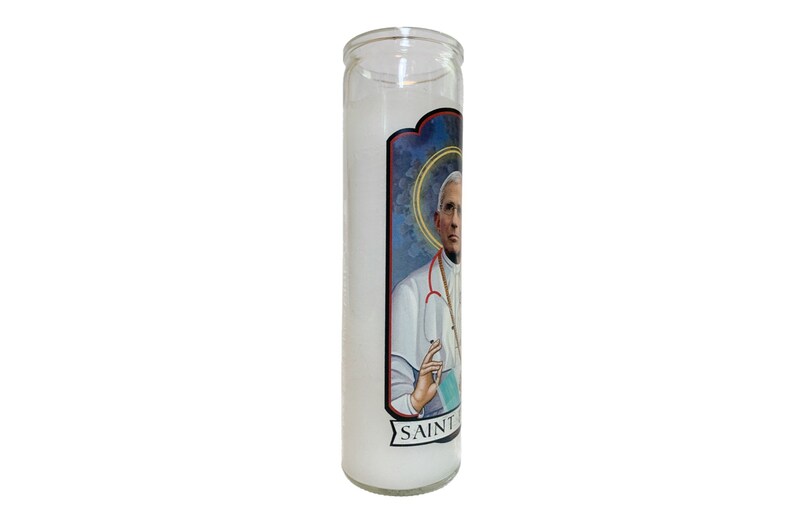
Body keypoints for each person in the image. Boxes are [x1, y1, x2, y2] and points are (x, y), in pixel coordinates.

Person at [390, 171, 462, 418]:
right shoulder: (410, 293)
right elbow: (397, 400)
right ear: (437, 220)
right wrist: (416, 400)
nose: (455, 221)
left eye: (463, 210)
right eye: (449, 208)